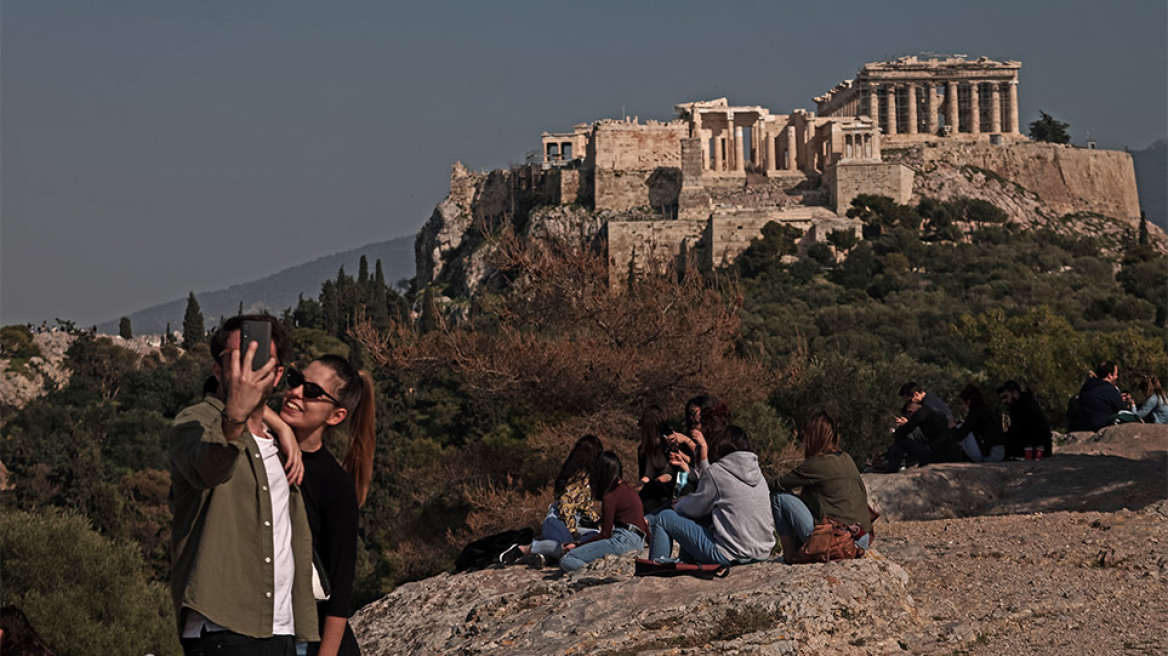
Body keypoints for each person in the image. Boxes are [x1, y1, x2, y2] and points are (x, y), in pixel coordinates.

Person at [169, 315, 318, 655]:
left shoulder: (278, 442)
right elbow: (207, 469)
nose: (247, 370)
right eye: (237, 358)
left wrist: (278, 425)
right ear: (217, 369)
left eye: (259, 359)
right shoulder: (193, 423)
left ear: (277, 374)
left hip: (283, 630)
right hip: (223, 626)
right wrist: (235, 417)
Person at [265, 355, 375, 656]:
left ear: (336, 416)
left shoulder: (335, 485)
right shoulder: (261, 450)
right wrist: (280, 427)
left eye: (312, 391)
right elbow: (231, 403)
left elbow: (340, 590)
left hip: (309, 642)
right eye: (295, 380)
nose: (296, 392)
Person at [647, 426, 775, 565]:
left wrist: (677, 505)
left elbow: (694, 508)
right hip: (762, 552)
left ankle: (655, 568)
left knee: (664, 518)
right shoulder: (758, 474)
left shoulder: (717, 472)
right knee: (704, 515)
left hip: (730, 554)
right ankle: (685, 562)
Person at [769, 412, 872, 562]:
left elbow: (776, 483)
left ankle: (789, 556)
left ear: (812, 437)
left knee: (778, 496)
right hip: (862, 538)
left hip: (836, 541)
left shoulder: (816, 464)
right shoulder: (846, 457)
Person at [499, 435, 603, 565]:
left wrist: (600, 522)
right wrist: (573, 532)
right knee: (569, 546)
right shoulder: (574, 479)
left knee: (596, 537)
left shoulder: (587, 478)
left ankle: (546, 556)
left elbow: (586, 507)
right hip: (558, 520)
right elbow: (566, 509)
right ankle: (524, 549)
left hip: (575, 523)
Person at [558, 451, 650, 572]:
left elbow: (605, 534)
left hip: (622, 541)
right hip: (638, 542)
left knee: (567, 559)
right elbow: (642, 522)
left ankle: (595, 573)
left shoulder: (610, 495)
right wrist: (652, 545)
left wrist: (577, 545)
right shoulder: (629, 489)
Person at [879, 399, 963, 472]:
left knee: (901, 441)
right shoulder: (934, 411)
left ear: (910, 412)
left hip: (937, 455)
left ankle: (892, 468)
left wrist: (895, 432)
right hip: (951, 453)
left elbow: (904, 431)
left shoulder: (921, 413)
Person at [636, 405, 677, 514]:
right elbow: (648, 474)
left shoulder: (670, 444)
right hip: (655, 491)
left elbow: (669, 475)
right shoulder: (646, 449)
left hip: (670, 493)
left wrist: (648, 486)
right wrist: (638, 486)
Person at [997, 381, 1052, 459]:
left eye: (1006, 397)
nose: (1004, 401)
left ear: (1015, 393)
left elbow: (1018, 430)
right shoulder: (1023, 404)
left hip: (1035, 448)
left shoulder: (1024, 407)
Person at [954, 384, 1005, 463]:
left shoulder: (975, 413)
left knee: (959, 427)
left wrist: (952, 427)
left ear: (968, 402)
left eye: (962, 403)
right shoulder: (988, 410)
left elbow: (959, 435)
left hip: (991, 455)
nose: (962, 407)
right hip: (1000, 452)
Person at [1075, 362, 1128, 432]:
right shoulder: (1110, 390)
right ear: (1109, 375)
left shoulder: (1086, 387)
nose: (1116, 377)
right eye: (1116, 374)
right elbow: (1123, 411)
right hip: (1102, 429)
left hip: (1082, 427)